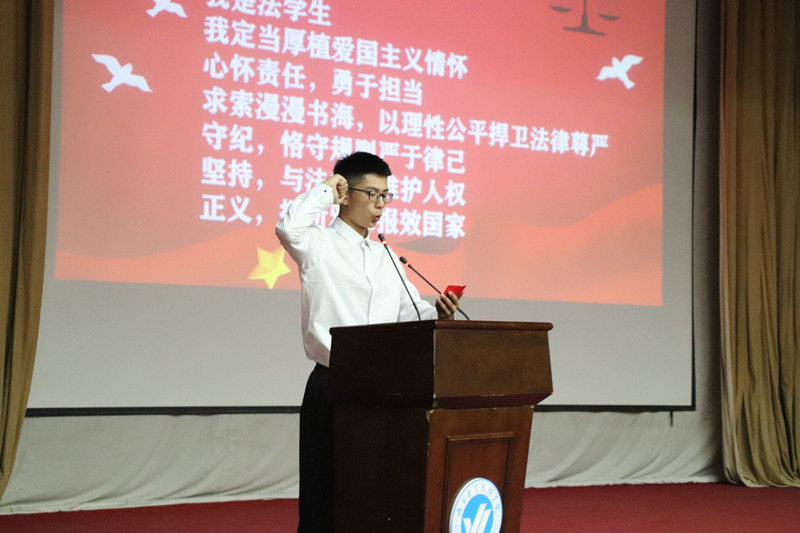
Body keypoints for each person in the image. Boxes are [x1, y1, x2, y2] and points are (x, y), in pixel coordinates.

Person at [276, 151, 461, 532]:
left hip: (383, 390)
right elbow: (288, 228)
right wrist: (325, 189)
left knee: (374, 489)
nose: (380, 205)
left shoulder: (385, 256)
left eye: (385, 196)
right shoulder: (318, 244)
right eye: (372, 194)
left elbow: (410, 313)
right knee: (324, 491)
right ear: (345, 194)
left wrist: (440, 313)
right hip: (335, 384)